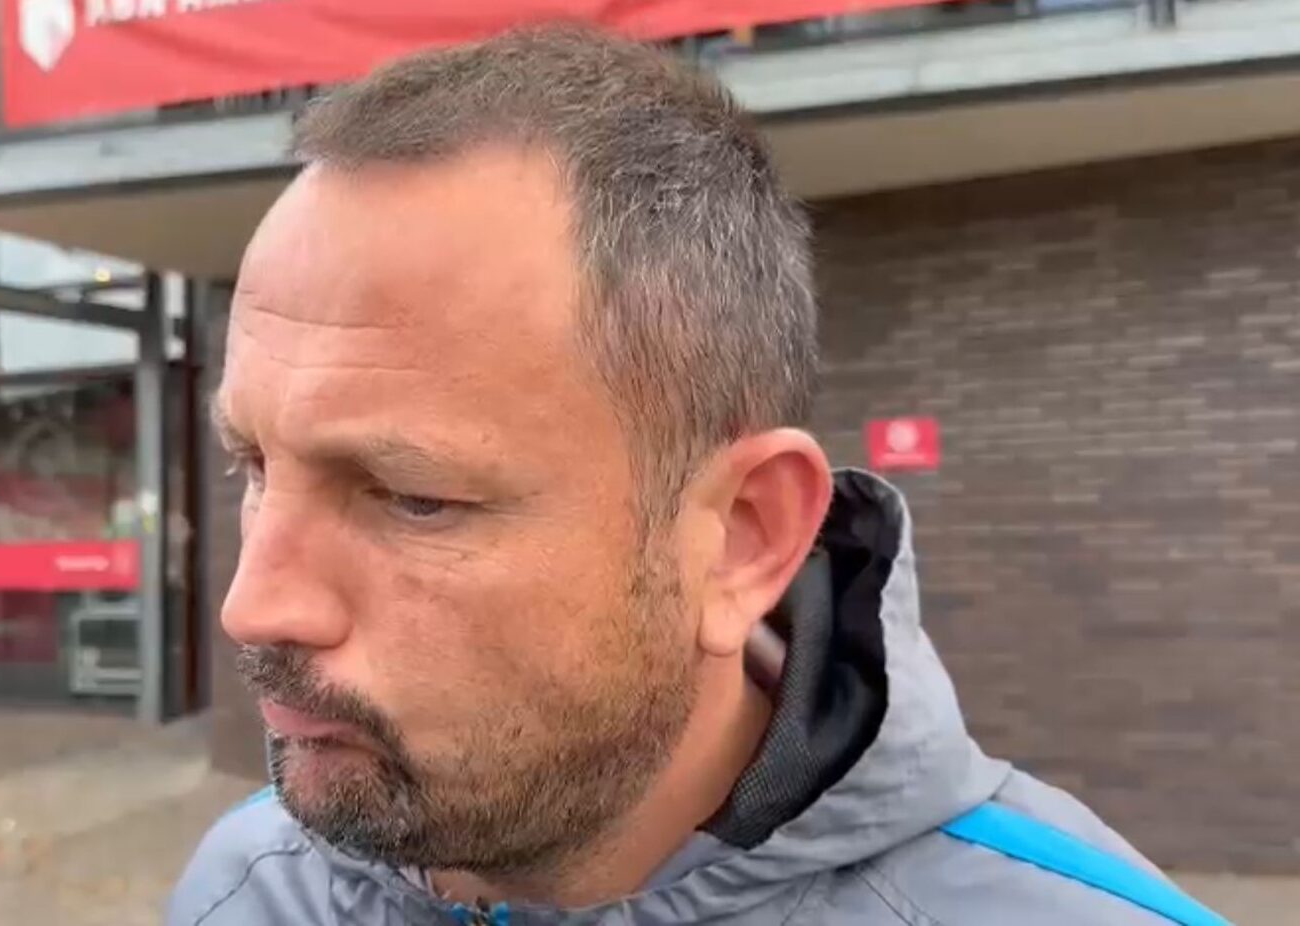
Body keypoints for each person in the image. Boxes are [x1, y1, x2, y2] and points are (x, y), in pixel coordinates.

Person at [170, 25, 1226, 926]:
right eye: (254, 462)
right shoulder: (250, 884)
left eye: (413, 496)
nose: (253, 607)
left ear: (742, 537)